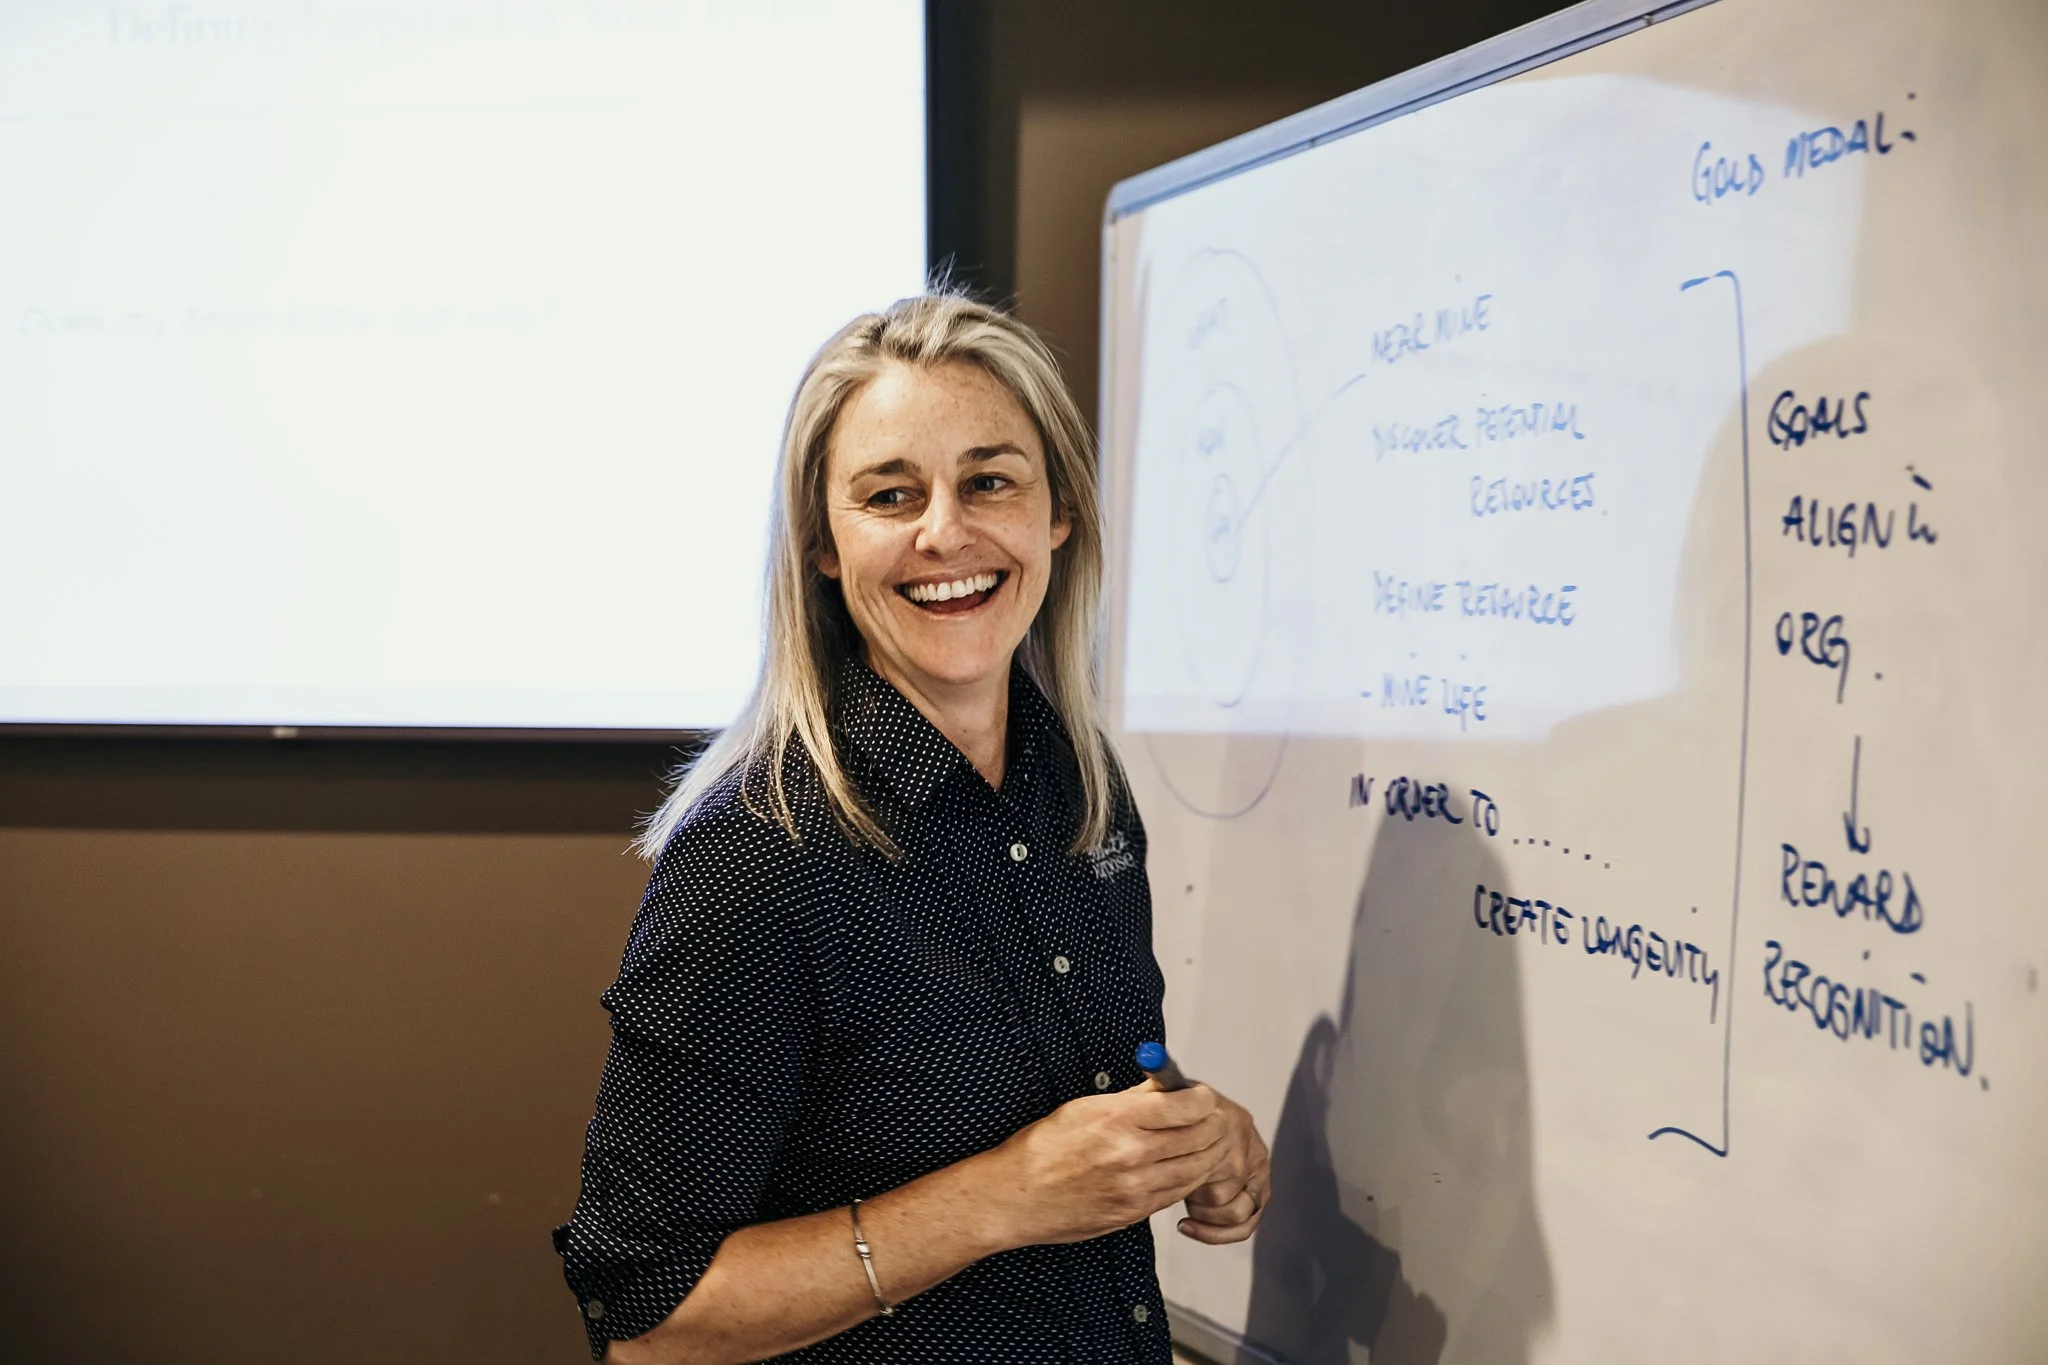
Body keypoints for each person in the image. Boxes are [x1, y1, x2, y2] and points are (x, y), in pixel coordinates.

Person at [553, 292, 1271, 1363]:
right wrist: (999, 1200)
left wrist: (1189, 1122)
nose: (946, 533)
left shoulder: (1078, 787)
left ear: (1056, 514)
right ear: (824, 548)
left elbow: (1070, 1070)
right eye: (891, 495)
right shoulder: (755, 858)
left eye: (988, 481)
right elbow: (652, 1321)